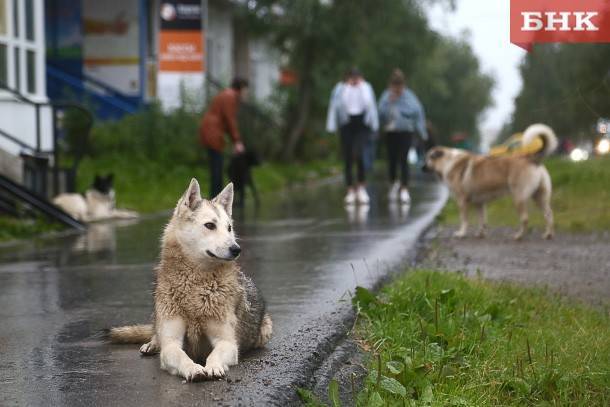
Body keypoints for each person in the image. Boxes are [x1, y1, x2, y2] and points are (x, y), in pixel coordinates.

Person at [326, 68, 378, 205]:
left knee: (359, 154)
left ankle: (361, 187)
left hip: (362, 124)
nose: (354, 80)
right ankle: (350, 189)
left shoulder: (366, 88)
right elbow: (335, 106)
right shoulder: (340, 89)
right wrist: (331, 125)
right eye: (352, 77)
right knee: (348, 157)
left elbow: (370, 105)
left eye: (357, 77)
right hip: (346, 123)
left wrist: (374, 125)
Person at [378, 69, 428, 204]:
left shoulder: (409, 96)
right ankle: (393, 184)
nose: (397, 89)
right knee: (392, 160)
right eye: (394, 86)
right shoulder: (386, 96)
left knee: (403, 159)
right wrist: (390, 102)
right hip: (390, 132)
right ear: (391, 85)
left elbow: (417, 112)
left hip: (406, 131)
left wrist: (422, 132)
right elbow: (380, 114)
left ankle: (405, 188)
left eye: (399, 86)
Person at [199, 77, 248, 197]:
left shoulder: (227, 95)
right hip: (213, 132)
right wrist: (237, 141)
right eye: (245, 90)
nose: (246, 94)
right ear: (241, 88)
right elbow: (230, 120)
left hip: (212, 131)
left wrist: (234, 140)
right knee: (217, 168)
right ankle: (215, 198)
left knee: (217, 166)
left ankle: (215, 198)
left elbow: (227, 121)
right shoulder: (230, 97)